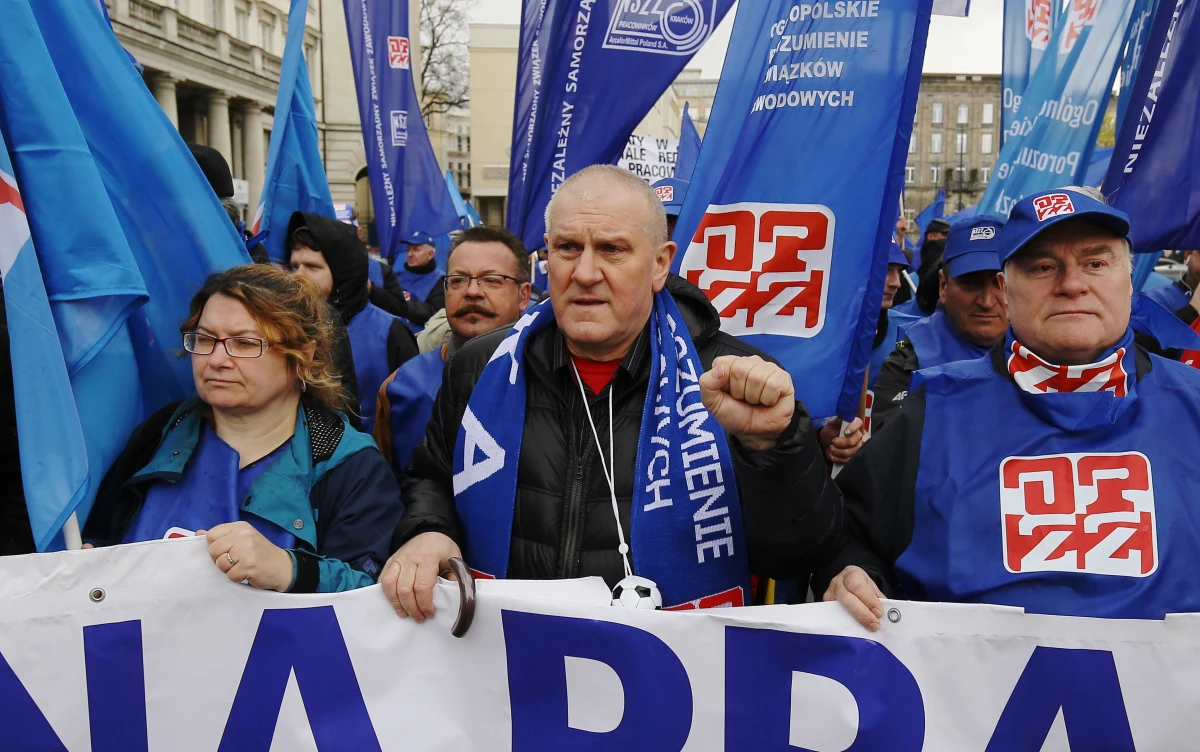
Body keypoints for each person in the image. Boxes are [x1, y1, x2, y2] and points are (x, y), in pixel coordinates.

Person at [381, 164, 842, 620]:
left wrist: (770, 448)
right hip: (507, 667)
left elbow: (798, 554)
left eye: (611, 249)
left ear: (660, 263)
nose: (585, 272)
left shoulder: (732, 380)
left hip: (672, 675)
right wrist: (429, 529)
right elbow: (431, 477)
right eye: (567, 248)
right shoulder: (482, 366)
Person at [817, 186, 1200, 628]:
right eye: (1042, 267)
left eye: (1096, 263)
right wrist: (851, 577)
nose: (1072, 284)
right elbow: (850, 538)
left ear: (1128, 282)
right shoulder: (932, 413)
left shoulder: (1192, 406)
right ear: (1005, 289)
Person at [82, 265, 403, 592]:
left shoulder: (347, 466)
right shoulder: (161, 433)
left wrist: (292, 570)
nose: (217, 359)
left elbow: (373, 596)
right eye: (205, 339)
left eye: (245, 343)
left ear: (303, 357)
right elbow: (101, 535)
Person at [374, 225, 532, 476]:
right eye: (458, 280)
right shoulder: (399, 387)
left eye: (491, 280)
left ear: (523, 296)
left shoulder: (550, 382)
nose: (472, 291)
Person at [870, 216, 1008, 432]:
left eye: (1001, 284)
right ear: (943, 286)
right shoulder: (909, 360)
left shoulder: (1052, 352)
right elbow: (894, 451)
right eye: (971, 284)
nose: (987, 302)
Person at [286, 212, 418, 433]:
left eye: (312, 267)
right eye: (294, 266)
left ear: (341, 273)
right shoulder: (285, 329)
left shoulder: (390, 332)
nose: (298, 276)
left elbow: (411, 418)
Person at [394, 230, 447, 313]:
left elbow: (434, 313)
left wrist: (402, 304)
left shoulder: (440, 281)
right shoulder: (396, 276)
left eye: (416, 250)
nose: (409, 254)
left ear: (430, 254)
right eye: (408, 249)